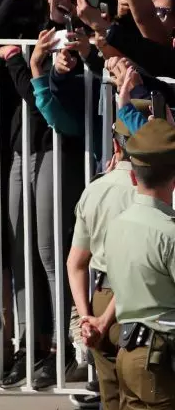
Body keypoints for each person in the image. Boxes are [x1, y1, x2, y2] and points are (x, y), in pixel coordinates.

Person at [67, 99, 149, 410]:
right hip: (138, 302)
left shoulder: (96, 189)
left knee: (110, 397)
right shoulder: (154, 191)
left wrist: (87, 316)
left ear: (116, 145)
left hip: (102, 295)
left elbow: (75, 263)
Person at [102, 119, 175, 409]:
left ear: (133, 177)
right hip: (158, 357)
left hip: (128, 350)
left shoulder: (117, 225)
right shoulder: (169, 232)